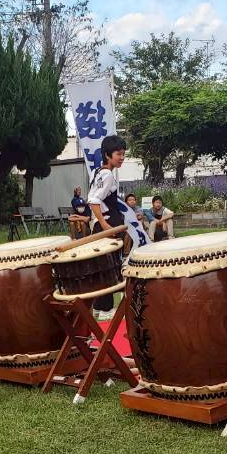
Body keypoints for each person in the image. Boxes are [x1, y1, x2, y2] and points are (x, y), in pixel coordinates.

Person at [86, 134, 149, 317]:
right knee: (109, 267)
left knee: (105, 267)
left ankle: (100, 307)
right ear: (107, 155)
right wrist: (105, 225)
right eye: (118, 154)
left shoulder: (98, 172)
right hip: (108, 227)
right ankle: (105, 309)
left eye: (123, 154)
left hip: (105, 225)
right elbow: (93, 200)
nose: (121, 158)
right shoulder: (106, 175)